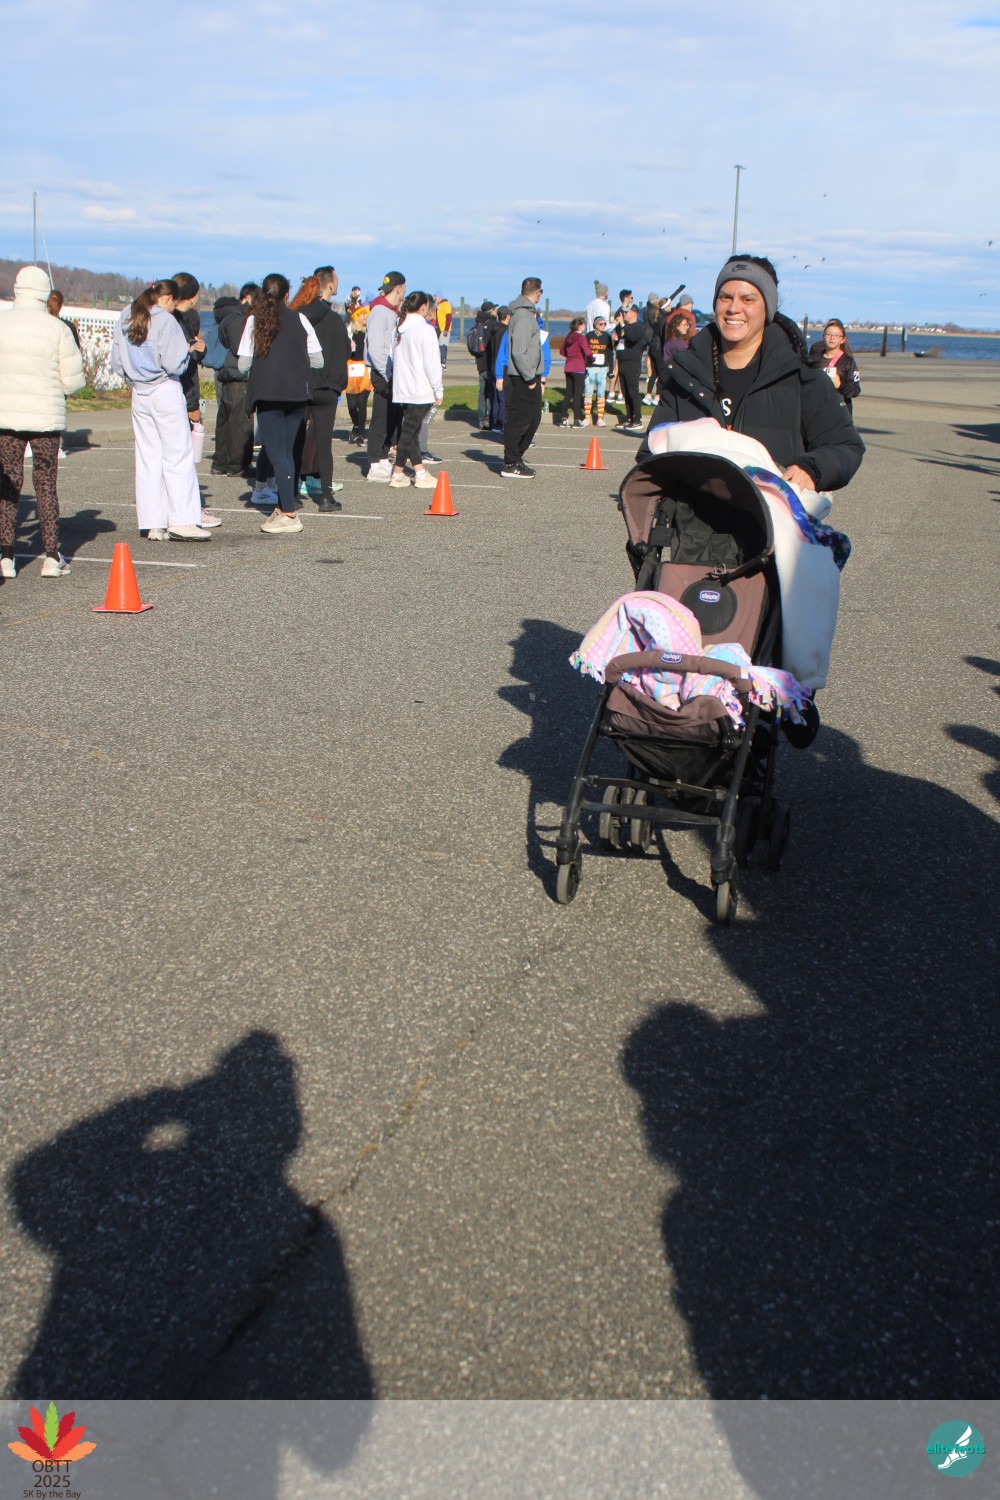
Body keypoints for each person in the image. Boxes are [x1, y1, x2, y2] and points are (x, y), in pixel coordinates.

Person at [638, 254, 865, 490]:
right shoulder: (686, 374)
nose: (733, 308)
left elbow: (847, 446)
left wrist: (812, 469)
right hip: (693, 512)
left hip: (771, 510)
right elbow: (650, 451)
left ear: (767, 308)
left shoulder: (802, 378)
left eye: (748, 299)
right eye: (725, 297)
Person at [110, 279, 211, 543]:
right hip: (164, 389)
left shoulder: (126, 315)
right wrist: (187, 352)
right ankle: (182, 521)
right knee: (177, 455)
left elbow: (117, 363)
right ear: (168, 299)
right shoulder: (166, 321)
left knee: (148, 457)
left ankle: (152, 522)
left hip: (139, 392)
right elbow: (175, 364)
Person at [0, 266, 85, 577]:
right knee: (46, 483)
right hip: (45, 417)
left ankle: (6, 556)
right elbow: (73, 382)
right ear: (45, 294)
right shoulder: (57, 328)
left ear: (17, 289)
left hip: (6, 415)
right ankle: (51, 555)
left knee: (8, 483)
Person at [237, 273, 323, 535]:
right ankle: (284, 504)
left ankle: (289, 512)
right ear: (287, 295)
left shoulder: (254, 320)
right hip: (296, 393)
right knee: (287, 452)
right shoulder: (300, 319)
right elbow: (318, 360)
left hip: (268, 393)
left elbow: (243, 365)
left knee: (278, 454)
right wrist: (293, 361)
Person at [290, 270, 350, 512]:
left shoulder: (299, 315)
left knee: (296, 439)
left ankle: (292, 493)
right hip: (327, 386)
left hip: (302, 384)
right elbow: (345, 351)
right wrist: (339, 382)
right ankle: (326, 497)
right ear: (330, 285)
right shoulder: (335, 320)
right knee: (324, 443)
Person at [170, 272, 219, 529]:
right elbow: (183, 366)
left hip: (177, 389)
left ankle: (181, 508)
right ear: (194, 296)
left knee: (177, 455)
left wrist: (200, 350)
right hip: (180, 390)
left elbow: (194, 354)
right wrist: (192, 405)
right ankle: (189, 510)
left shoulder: (182, 317)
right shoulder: (177, 319)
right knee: (183, 456)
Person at [387, 291, 442, 490]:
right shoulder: (425, 330)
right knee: (409, 433)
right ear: (423, 307)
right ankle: (398, 473)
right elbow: (432, 364)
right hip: (420, 389)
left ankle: (420, 473)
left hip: (402, 389)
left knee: (412, 432)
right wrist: (438, 390)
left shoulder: (399, 328)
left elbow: (392, 357)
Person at [211, 282, 258, 477]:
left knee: (226, 420)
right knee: (241, 421)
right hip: (239, 375)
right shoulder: (239, 319)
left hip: (227, 372)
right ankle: (237, 464)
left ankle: (221, 462)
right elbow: (242, 347)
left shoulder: (227, 318)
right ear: (248, 298)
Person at [500, 277, 544, 478]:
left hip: (528, 376)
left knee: (533, 419)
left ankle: (516, 458)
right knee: (520, 421)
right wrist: (530, 378)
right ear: (538, 292)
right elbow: (518, 351)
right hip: (523, 377)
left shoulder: (525, 314)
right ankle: (511, 462)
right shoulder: (524, 316)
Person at [365, 270, 406, 481]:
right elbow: (375, 348)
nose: (404, 293)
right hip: (383, 372)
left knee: (392, 417)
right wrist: (386, 373)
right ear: (398, 288)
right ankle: (374, 463)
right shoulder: (380, 311)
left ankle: (383, 457)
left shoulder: (391, 311)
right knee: (381, 418)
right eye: (403, 289)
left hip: (392, 371)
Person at [808, 319, 862, 413]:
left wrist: (840, 385)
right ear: (823, 336)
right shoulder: (813, 359)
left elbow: (855, 390)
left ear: (842, 339)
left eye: (836, 335)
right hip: (816, 410)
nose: (832, 338)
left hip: (839, 412)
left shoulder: (848, 362)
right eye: (828, 334)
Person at [615, 305, 646, 432]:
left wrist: (623, 325)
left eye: (627, 312)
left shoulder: (638, 327)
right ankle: (629, 418)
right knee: (626, 392)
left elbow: (632, 338)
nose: (625, 314)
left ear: (634, 313)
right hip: (623, 361)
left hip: (632, 362)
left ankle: (637, 419)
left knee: (633, 391)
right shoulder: (625, 327)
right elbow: (620, 338)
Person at [582, 314, 615, 427]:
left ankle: (600, 419)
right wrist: (583, 368)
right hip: (590, 368)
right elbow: (583, 353)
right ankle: (587, 418)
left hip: (602, 368)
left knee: (601, 393)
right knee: (588, 392)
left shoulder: (607, 337)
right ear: (596, 325)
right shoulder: (588, 336)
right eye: (601, 324)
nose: (603, 326)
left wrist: (611, 370)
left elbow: (610, 354)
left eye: (605, 324)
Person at [345, 305, 371, 445]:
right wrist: (349, 349)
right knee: (351, 405)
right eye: (362, 314)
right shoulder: (348, 332)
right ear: (356, 317)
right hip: (351, 369)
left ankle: (360, 433)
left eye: (366, 314)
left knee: (362, 403)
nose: (365, 316)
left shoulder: (369, 332)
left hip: (365, 370)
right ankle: (356, 425)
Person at [560, 317, 589, 427]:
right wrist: (592, 359)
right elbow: (587, 352)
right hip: (579, 367)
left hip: (568, 367)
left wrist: (570, 355)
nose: (585, 326)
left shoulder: (569, 336)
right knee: (577, 395)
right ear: (580, 326)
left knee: (568, 393)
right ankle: (576, 419)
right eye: (584, 324)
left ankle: (563, 419)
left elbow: (562, 351)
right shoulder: (581, 337)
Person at [488, 306, 509, 431]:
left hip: (492, 366)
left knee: (495, 397)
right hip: (501, 367)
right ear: (507, 316)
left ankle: (493, 422)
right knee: (502, 398)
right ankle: (500, 423)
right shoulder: (506, 332)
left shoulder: (493, 330)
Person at [435, 293, 453, 368]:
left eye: (435, 296)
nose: (434, 298)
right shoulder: (438, 305)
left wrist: (446, 329)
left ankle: (443, 363)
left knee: (443, 346)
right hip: (437, 329)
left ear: (439, 297)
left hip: (444, 330)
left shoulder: (446, 305)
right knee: (437, 346)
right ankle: (437, 362)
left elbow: (449, 317)